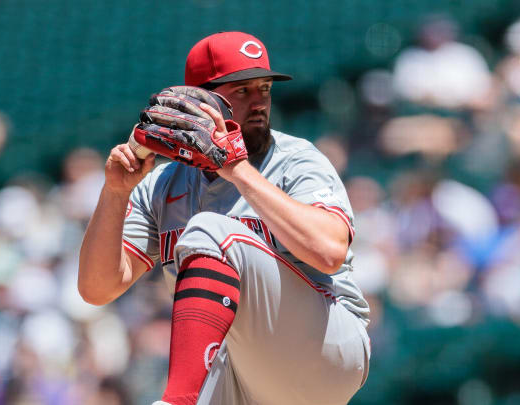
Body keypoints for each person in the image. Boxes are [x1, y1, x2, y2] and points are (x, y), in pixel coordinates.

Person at [78, 31, 370, 405]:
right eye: (242, 90)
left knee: (208, 229)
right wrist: (115, 193)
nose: (259, 102)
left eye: (264, 88)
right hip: (238, 367)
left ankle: (176, 401)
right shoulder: (163, 185)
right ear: (198, 102)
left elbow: (330, 252)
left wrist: (236, 169)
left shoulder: (297, 159)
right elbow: (97, 288)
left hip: (326, 347)